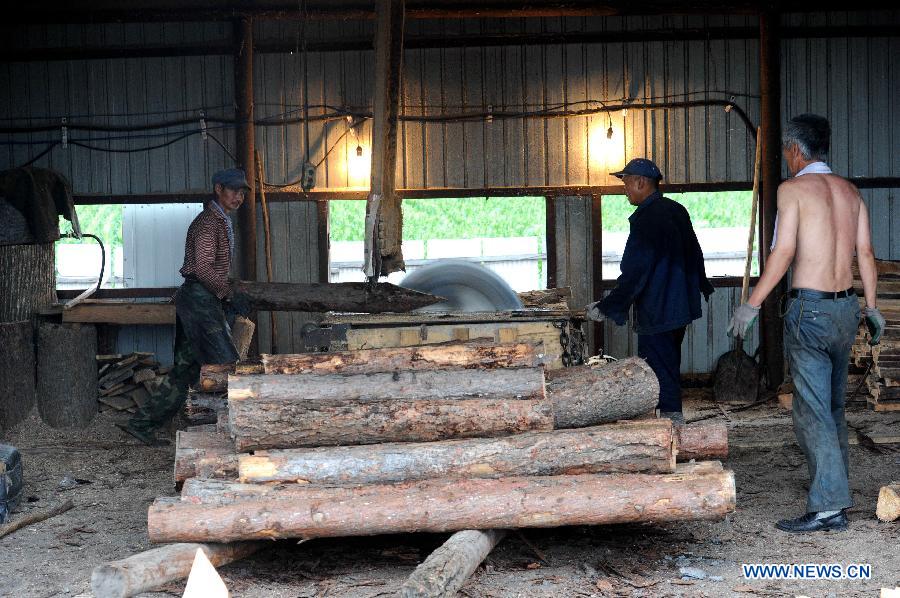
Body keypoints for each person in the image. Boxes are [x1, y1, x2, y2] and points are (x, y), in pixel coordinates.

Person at [727, 114, 885, 533]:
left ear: (796, 150)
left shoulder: (793, 190)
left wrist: (751, 305)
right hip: (846, 309)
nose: (785, 157)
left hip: (810, 311)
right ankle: (835, 496)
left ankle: (829, 505)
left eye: (785, 151)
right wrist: (871, 309)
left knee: (811, 411)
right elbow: (866, 254)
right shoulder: (851, 193)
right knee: (831, 408)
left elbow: (782, 254)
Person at [117, 168, 253, 446]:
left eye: (242, 192)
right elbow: (202, 267)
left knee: (184, 370)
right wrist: (226, 292)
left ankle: (142, 424)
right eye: (233, 190)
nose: (239, 196)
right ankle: (242, 428)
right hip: (199, 299)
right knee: (227, 363)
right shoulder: (208, 222)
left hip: (199, 298)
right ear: (218, 189)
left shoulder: (220, 220)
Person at [586, 158, 714, 425]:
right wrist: (699, 288)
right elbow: (695, 256)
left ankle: (671, 427)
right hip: (680, 308)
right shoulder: (676, 210)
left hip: (659, 309)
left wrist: (608, 306)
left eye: (626, 183)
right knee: (668, 365)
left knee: (658, 371)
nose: (625, 190)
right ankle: (669, 422)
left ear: (641, 182)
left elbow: (636, 271)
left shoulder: (647, 220)